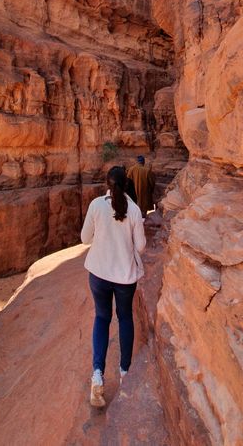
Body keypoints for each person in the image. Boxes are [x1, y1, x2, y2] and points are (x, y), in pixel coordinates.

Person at [81, 166, 146, 408]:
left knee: (101, 318)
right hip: (124, 277)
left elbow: (84, 238)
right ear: (126, 184)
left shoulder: (96, 205)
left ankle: (97, 374)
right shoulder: (135, 210)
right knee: (125, 318)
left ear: (107, 184)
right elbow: (140, 247)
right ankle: (125, 373)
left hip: (98, 273)